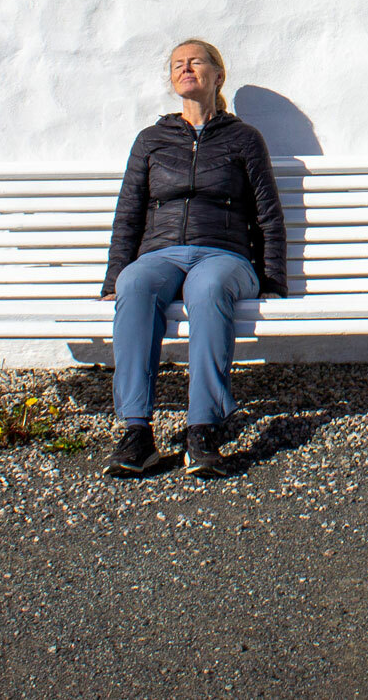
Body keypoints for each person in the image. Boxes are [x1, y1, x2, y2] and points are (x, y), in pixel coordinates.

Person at [100, 39, 287, 478]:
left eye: (195, 61)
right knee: (133, 285)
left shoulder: (244, 139)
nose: (185, 68)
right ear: (172, 80)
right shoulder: (151, 140)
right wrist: (113, 278)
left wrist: (273, 280)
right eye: (177, 64)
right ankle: (136, 431)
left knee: (207, 287)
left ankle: (202, 427)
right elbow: (129, 213)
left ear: (218, 76)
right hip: (161, 252)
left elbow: (268, 214)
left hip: (225, 255)